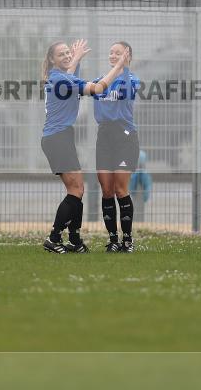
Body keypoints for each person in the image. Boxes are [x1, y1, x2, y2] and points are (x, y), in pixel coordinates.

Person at [41, 39, 129, 254]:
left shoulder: (61, 76)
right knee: (76, 190)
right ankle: (54, 237)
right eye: (61, 54)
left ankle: (74, 240)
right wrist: (118, 67)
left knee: (77, 190)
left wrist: (76, 57)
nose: (66, 56)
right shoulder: (60, 79)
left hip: (60, 137)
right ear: (52, 60)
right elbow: (98, 88)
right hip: (57, 138)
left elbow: (70, 74)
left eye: (67, 52)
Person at [93, 42, 140, 253]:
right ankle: (113, 239)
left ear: (127, 56)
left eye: (118, 53)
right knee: (106, 189)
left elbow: (129, 93)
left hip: (125, 137)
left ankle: (127, 240)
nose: (113, 55)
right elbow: (95, 90)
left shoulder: (131, 79)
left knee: (121, 188)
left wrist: (124, 66)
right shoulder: (100, 81)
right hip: (104, 136)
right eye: (111, 52)